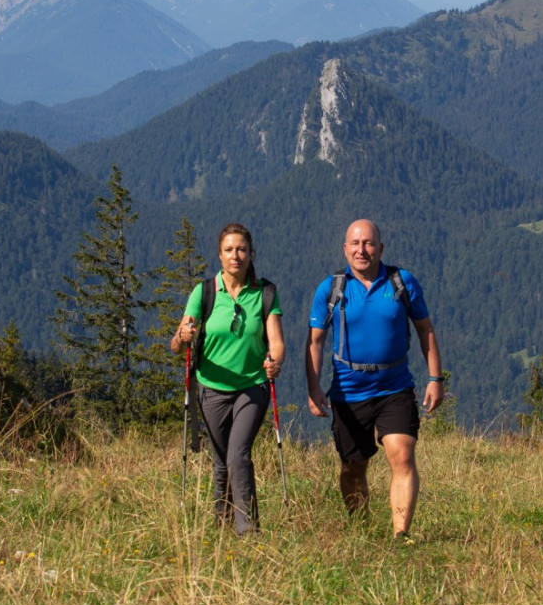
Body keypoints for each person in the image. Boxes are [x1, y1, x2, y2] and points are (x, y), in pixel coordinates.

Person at [305, 219, 445, 540]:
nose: (361, 250)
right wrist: (313, 387)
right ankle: (361, 530)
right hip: (348, 392)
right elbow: (315, 341)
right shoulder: (331, 288)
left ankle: (400, 535)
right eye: (355, 244)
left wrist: (435, 378)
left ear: (381, 247)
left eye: (368, 243)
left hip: (394, 387)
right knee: (354, 466)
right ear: (345, 249)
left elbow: (426, 330)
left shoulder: (402, 282)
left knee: (402, 455)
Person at [171, 223, 285, 534]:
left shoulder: (265, 293)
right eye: (229, 250)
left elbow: (276, 341)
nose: (236, 255)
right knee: (221, 461)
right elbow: (176, 343)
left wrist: (274, 362)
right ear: (220, 255)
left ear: (251, 254)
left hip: (253, 386)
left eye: (241, 249)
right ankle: (222, 527)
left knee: (237, 455)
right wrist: (183, 336)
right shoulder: (204, 292)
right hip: (211, 389)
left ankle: (247, 531)